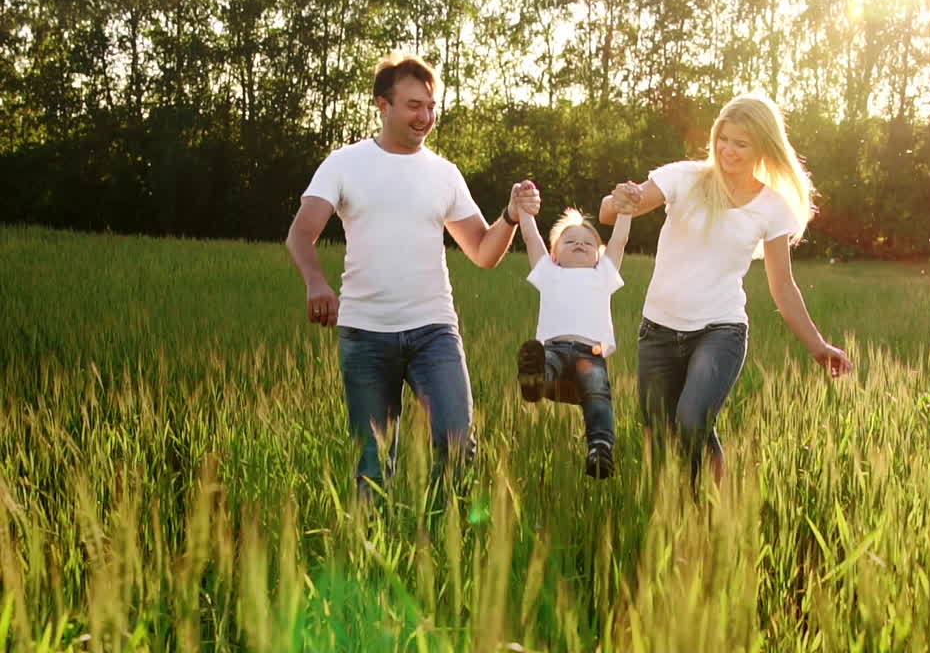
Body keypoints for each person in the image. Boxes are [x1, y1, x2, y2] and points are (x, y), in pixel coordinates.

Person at [285, 52, 540, 500]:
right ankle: (370, 558)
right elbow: (300, 234)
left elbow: (482, 252)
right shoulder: (345, 163)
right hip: (365, 334)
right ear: (383, 105)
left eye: (430, 106)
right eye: (413, 105)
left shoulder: (444, 174)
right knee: (373, 462)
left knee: (457, 443)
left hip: (433, 331)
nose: (425, 117)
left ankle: (451, 542)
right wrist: (316, 282)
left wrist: (510, 216)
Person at [600, 92, 852, 487]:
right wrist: (617, 200)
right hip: (658, 330)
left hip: (721, 330)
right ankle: (672, 509)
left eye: (741, 143)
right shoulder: (684, 177)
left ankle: (715, 511)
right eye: (724, 138)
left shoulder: (772, 207)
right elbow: (615, 209)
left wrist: (818, 346)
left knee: (693, 419)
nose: (728, 150)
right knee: (659, 434)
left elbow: (783, 285)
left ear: (763, 148)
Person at [515, 204, 634, 479]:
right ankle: (534, 381)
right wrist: (524, 210)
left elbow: (619, 240)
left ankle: (600, 449)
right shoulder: (549, 272)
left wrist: (627, 210)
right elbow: (531, 239)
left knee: (598, 394)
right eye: (570, 241)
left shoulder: (602, 274)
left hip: (589, 353)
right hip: (552, 347)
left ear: (598, 256)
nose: (579, 244)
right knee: (545, 362)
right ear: (554, 255)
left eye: (588, 242)